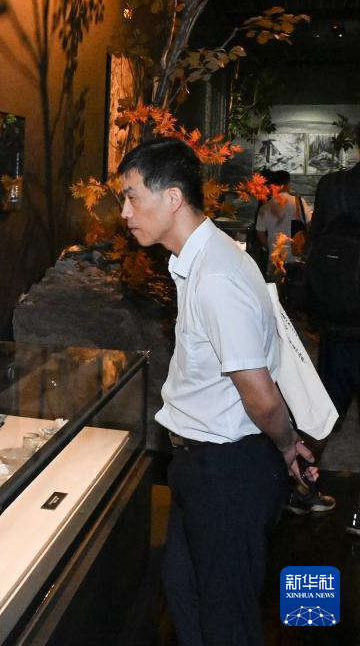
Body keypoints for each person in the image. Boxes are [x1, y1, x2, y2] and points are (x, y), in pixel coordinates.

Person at [117, 138, 318, 645]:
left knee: (226, 618)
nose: (125, 213)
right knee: (185, 592)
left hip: (228, 472)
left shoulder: (215, 277)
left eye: (132, 197)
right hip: (202, 465)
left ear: (173, 198)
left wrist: (286, 445)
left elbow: (261, 396)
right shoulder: (202, 260)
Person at [307, 147, 360, 537]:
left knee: (323, 415)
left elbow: (316, 247)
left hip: (338, 324)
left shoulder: (333, 186)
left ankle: (301, 489)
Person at [254, 170, 311, 278]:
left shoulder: (266, 207)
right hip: (297, 259)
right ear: (287, 184)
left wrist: (270, 247)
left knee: (275, 286)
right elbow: (309, 226)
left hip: (275, 259)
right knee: (296, 285)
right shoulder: (299, 202)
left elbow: (260, 233)